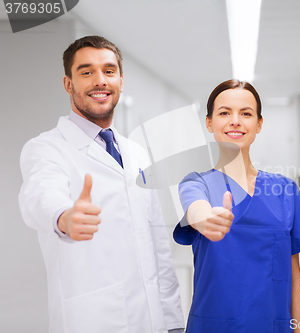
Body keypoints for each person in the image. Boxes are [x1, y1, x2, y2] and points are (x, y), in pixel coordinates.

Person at [18, 35, 184, 333]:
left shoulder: (137, 153)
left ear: (120, 80)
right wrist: (63, 216)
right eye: (86, 72)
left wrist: (172, 321)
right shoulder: (47, 148)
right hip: (93, 320)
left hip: (152, 321)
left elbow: (157, 242)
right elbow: (40, 194)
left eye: (108, 71)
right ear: (68, 83)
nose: (99, 81)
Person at [173, 79, 300, 333]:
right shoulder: (197, 184)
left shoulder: (285, 191)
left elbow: (295, 274)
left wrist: (299, 329)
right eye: (224, 113)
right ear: (209, 123)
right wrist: (206, 218)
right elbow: (196, 209)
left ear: (259, 124)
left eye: (246, 113)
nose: (235, 121)